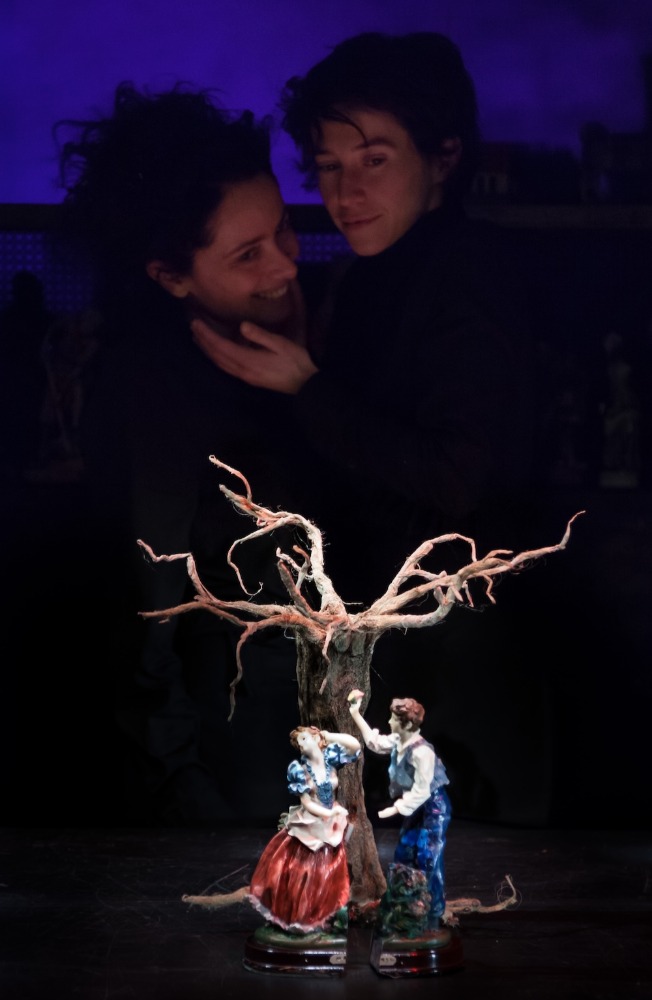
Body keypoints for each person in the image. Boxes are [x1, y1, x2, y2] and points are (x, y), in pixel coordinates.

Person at [188, 33, 546, 826]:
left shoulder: (469, 273)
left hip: (458, 651)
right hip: (397, 641)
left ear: (444, 157)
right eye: (327, 165)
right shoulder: (373, 275)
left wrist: (307, 387)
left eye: (374, 159)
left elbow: (458, 476)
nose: (345, 191)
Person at [54, 82, 308, 825]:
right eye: (249, 254)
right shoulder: (157, 387)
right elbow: (149, 606)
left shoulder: (267, 352)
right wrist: (181, 790)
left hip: (285, 729)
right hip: (230, 756)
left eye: (284, 230)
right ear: (170, 276)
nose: (285, 266)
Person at [347, 689, 450, 932]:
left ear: (407, 724)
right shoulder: (398, 741)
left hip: (433, 807)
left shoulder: (422, 752)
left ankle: (433, 911)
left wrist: (395, 809)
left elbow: (422, 790)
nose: (389, 722)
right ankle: (406, 905)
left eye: (393, 719)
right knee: (404, 851)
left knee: (428, 857)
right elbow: (375, 742)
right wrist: (355, 713)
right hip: (415, 807)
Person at [247, 724, 361, 933]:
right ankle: (301, 917)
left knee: (328, 868)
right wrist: (328, 813)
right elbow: (306, 802)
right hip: (312, 821)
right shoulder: (300, 770)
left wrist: (329, 735)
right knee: (306, 869)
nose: (301, 746)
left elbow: (355, 746)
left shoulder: (330, 759)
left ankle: (321, 913)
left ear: (316, 739)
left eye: (304, 739)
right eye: (299, 743)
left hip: (330, 819)